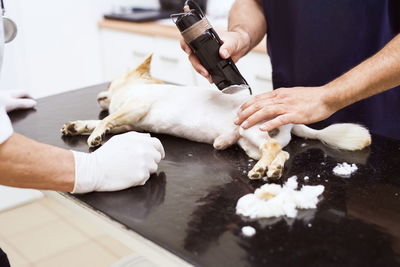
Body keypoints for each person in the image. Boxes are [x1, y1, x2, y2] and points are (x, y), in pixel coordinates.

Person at [181, 0, 400, 140]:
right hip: (293, 123)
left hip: (383, 132)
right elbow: (254, 3)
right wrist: (241, 35)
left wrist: (328, 97)